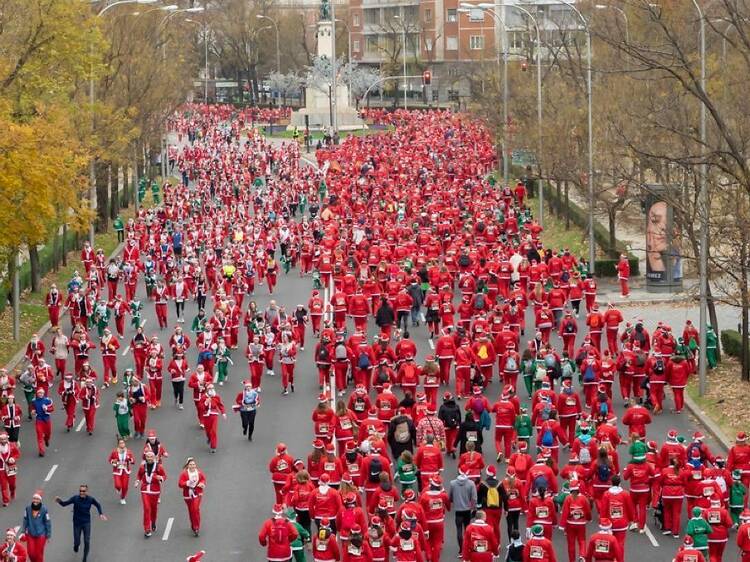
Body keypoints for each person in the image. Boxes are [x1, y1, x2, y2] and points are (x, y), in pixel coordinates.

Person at [54, 484, 107, 562]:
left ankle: (84, 558)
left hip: (86, 523)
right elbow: (64, 504)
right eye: (80, 491)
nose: (81, 492)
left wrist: (101, 514)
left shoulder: (90, 499)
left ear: (87, 492)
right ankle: (76, 546)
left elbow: (98, 505)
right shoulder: (75, 498)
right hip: (77, 523)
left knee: (87, 541)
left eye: (83, 491)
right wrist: (59, 501)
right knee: (77, 541)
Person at [135, 450, 167, 537]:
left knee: (154, 509)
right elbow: (139, 475)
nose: (149, 458)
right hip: (145, 490)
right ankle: (147, 529)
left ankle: (153, 522)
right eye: (148, 457)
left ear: (154, 458)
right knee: (146, 509)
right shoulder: (142, 467)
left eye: (151, 457)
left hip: (155, 490)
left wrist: (160, 478)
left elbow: (164, 476)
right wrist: (137, 481)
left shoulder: (159, 467)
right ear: (146, 457)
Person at [449, 468, 477, 557]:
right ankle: (467, 548)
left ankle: (461, 550)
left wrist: (453, 502)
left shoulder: (452, 483)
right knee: (467, 530)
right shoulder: (471, 484)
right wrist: (474, 508)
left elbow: (450, 496)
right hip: (467, 510)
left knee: (459, 530)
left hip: (458, 511)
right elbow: (474, 498)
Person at [178, 457, 206, 537]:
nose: (192, 466)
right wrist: (187, 483)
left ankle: (196, 527)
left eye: (193, 464)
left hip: (197, 493)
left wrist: (202, 484)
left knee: (195, 509)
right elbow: (180, 484)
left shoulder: (199, 473)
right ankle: (193, 525)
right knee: (191, 510)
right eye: (190, 464)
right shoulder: (184, 474)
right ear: (188, 466)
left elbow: (203, 479)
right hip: (187, 494)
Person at [21, 490, 51, 562]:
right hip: (31, 534)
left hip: (41, 535)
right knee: (31, 553)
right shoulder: (28, 508)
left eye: (37, 499)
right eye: (34, 498)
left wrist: (48, 535)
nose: (35, 501)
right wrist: (23, 531)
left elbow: (47, 522)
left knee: (38, 554)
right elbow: (25, 520)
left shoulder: (44, 509)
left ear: (40, 500)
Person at [108, 438, 135, 505]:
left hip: (126, 471)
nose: (122, 444)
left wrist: (129, 461)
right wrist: (114, 463)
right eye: (120, 443)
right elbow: (110, 459)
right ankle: (118, 488)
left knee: (125, 486)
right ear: (118, 444)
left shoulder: (128, 451)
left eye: (123, 443)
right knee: (118, 484)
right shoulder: (114, 452)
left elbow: (133, 461)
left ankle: (122, 498)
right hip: (117, 470)